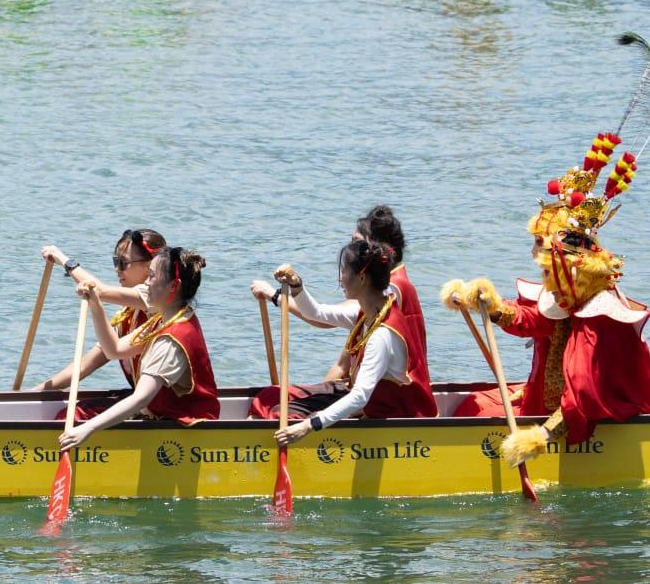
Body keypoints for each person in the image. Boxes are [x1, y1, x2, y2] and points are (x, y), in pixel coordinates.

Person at [446, 130, 650, 464]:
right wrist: (490, 305)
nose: (533, 256)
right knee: (470, 405)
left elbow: (583, 394)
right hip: (547, 400)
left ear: (568, 268)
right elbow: (534, 320)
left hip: (574, 418)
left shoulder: (599, 315)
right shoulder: (566, 293)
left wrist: (539, 437)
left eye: (540, 251)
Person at [251, 239, 437, 441]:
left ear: (362, 277)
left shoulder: (382, 335)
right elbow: (316, 313)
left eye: (344, 271)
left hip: (390, 419)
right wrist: (297, 286)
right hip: (364, 401)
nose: (340, 278)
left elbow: (360, 397)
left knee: (283, 415)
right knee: (269, 398)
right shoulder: (366, 314)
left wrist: (308, 426)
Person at [58, 245, 220, 451]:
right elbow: (114, 350)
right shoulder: (165, 318)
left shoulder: (172, 339)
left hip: (187, 432)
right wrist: (95, 304)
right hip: (163, 418)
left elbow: (141, 397)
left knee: (79, 419)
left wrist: (87, 429)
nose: (146, 283)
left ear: (173, 285)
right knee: (73, 414)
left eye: (152, 276)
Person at [252, 205, 428, 384]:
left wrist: (275, 295)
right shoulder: (389, 286)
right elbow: (341, 362)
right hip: (378, 389)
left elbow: (321, 318)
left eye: (357, 243)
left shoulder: (390, 291)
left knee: (273, 400)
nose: (351, 250)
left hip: (393, 395)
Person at [33, 229, 167, 394]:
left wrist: (63, 260)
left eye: (123, 263)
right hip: (144, 398)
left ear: (149, 265)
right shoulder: (127, 313)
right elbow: (84, 366)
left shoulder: (156, 298)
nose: (117, 269)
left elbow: (99, 290)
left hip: (166, 404)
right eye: (115, 261)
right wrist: (33, 393)